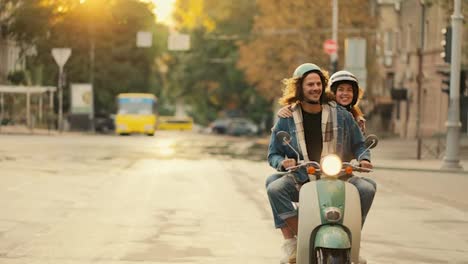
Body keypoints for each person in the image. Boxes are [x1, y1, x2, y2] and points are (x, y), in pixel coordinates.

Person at [266, 63, 376, 264]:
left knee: (367, 188)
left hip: (338, 175)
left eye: (318, 84)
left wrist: (365, 158)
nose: (315, 88)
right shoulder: (287, 118)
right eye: (310, 84)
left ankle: (351, 237)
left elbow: (360, 143)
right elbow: (273, 154)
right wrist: (283, 162)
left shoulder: (341, 114)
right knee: (274, 188)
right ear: (300, 87)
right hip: (302, 177)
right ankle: (297, 239)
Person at [278, 70, 367, 134]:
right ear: (332, 91)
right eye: (341, 89)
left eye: (349, 90)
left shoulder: (352, 116)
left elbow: (359, 145)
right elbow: (304, 103)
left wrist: (358, 116)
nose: (345, 94)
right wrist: (287, 109)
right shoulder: (323, 106)